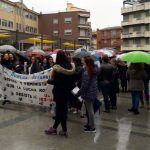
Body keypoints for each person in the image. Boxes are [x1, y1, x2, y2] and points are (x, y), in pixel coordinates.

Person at [45, 50, 75, 137]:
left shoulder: (57, 68)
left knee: (60, 112)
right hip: (67, 92)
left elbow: (56, 81)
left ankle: (64, 130)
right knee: (62, 111)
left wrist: (48, 81)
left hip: (59, 92)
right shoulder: (70, 66)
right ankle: (54, 128)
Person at [76, 56, 98, 132]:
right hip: (93, 92)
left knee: (90, 110)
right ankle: (90, 124)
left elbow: (84, 85)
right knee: (89, 110)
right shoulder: (94, 70)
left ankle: (92, 127)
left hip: (88, 93)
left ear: (87, 63)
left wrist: (79, 93)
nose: (83, 63)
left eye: (84, 62)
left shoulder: (86, 73)